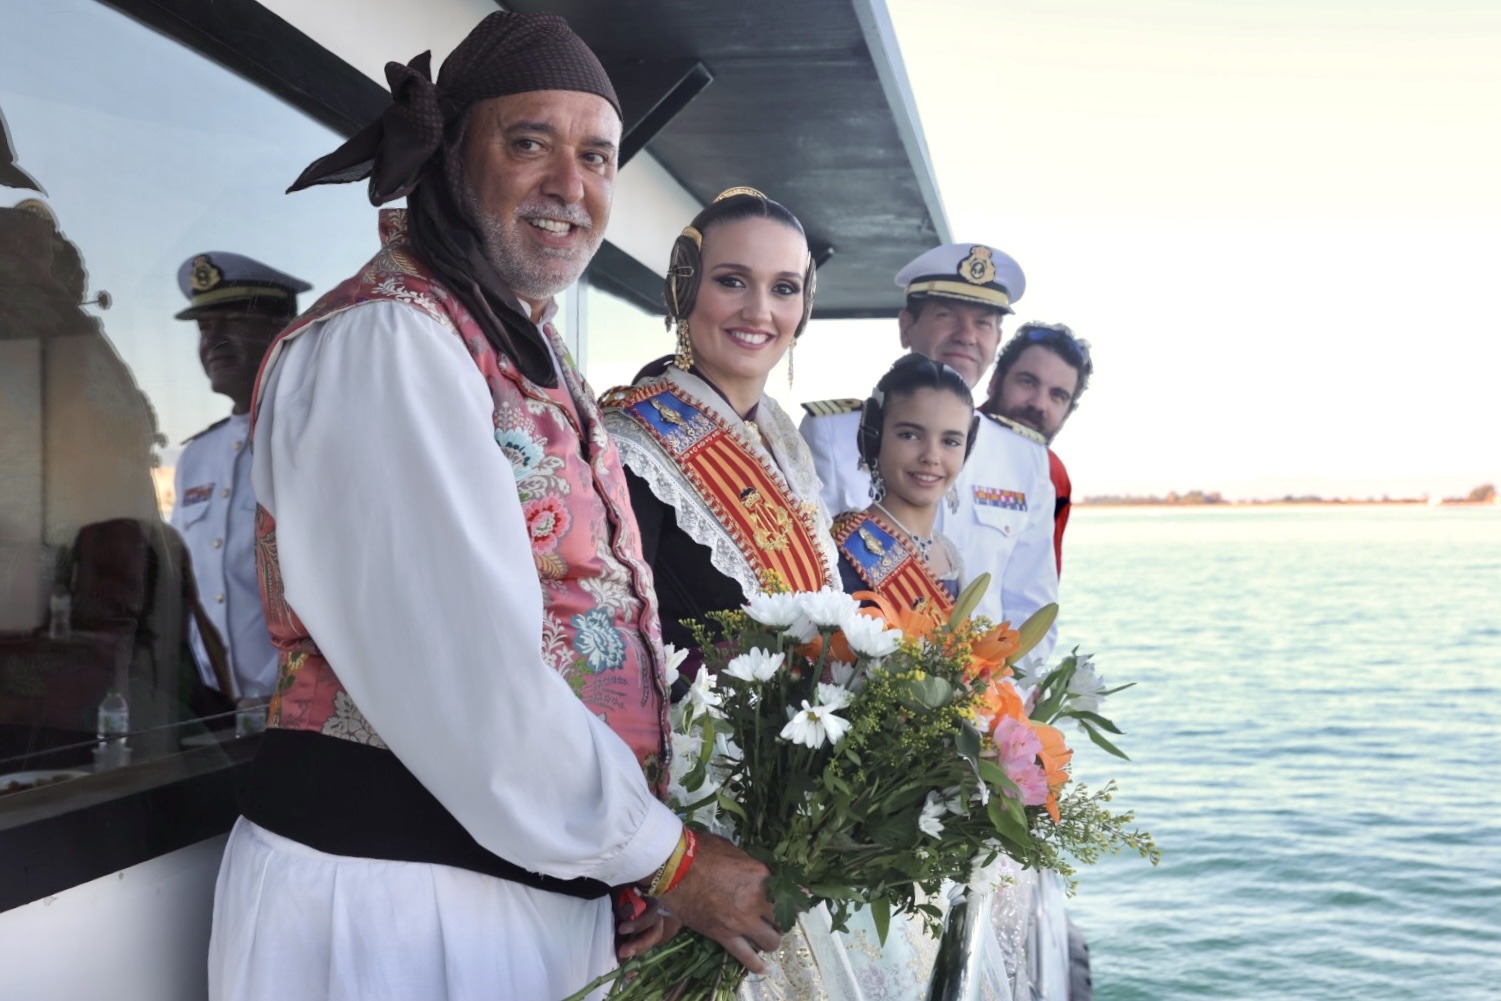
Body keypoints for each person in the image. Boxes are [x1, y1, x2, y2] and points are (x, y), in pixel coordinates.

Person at [208, 14, 779, 1001]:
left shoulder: (507, 336)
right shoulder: (386, 340)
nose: (571, 184)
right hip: (391, 909)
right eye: (529, 144)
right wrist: (669, 859)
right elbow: (460, 670)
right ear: (447, 159)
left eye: (596, 156)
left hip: (502, 894)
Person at [602, 188, 857, 998]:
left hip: (774, 832)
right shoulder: (624, 445)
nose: (760, 310)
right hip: (686, 849)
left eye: (785, 288)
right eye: (731, 281)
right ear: (683, 291)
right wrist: (664, 864)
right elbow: (614, 664)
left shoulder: (783, 441)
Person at [800, 244, 1058, 658]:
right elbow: (814, 579)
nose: (967, 335)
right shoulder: (831, 431)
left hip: (980, 698)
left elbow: (1031, 607)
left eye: (984, 323)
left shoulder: (1024, 456)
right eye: (945, 316)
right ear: (906, 326)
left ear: (997, 340)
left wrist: (1005, 713)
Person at [170, 252, 308, 700]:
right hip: (217, 705)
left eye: (233, 321)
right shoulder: (197, 456)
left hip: (304, 706)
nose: (215, 340)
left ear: (282, 329)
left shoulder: (316, 434)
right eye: (205, 328)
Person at [832, 355, 978, 617]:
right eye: (910, 435)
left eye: (951, 441)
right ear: (874, 435)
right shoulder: (842, 550)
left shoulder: (949, 553)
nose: (931, 456)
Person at [983, 322, 1093, 575]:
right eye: (1028, 382)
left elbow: (1036, 589)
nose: (1039, 404)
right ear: (996, 381)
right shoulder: (943, 442)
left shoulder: (1054, 477)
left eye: (1057, 396)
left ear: (1068, 412)